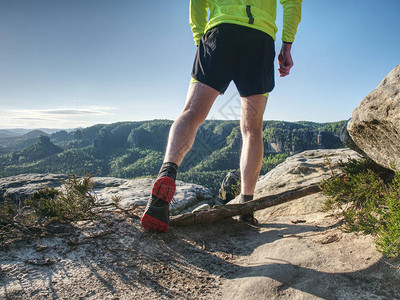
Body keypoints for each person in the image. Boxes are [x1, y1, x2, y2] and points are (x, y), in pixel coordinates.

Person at [141, 0, 302, 232]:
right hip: (260, 39)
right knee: (252, 130)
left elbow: (196, 3)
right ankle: (246, 207)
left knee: (191, 113)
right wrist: (287, 45)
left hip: (220, 32)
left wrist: (200, 40)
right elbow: (292, 2)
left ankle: (166, 177)